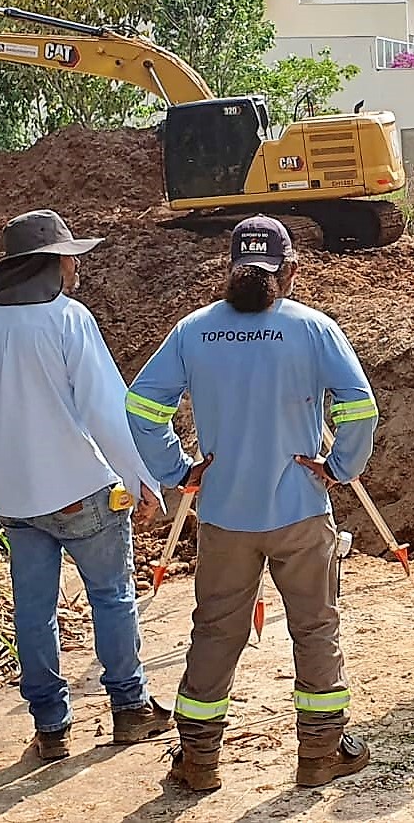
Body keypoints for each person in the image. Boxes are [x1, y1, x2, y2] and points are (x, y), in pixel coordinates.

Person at [126, 215, 378, 792]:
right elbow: (361, 408)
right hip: (300, 511)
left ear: (230, 268)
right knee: (315, 629)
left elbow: (142, 407)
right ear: (289, 270)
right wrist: (340, 468)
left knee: (215, 632)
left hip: (223, 515)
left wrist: (177, 471)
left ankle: (198, 763)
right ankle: (319, 755)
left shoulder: (193, 332)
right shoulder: (314, 329)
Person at [0, 210, 172, 761]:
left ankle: (50, 727)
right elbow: (106, 411)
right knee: (112, 597)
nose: (75, 266)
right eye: (69, 257)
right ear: (48, 264)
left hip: (16, 501)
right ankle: (131, 708)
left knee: (33, 612)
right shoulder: (67, 319)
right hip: (83, 491)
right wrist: (142, 478)